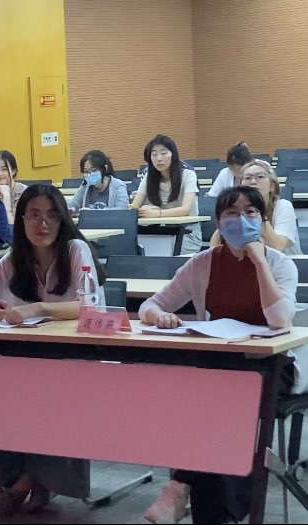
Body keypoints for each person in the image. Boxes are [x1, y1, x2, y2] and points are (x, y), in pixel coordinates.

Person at [140, 186, 308, 524]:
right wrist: (159, 316)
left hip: (273, 367)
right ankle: (212, 511)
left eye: (250, 213)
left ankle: (180, 485)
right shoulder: (202, 263)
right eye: (231, 213)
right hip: (221, 368)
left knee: (218, 401)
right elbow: (150, 305)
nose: (241, 220)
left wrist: (258, 261)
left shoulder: (280, 265)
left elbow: (279, 319)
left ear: (262, 220)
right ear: (218, 222)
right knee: (206, 401)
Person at [0, 183, 105, 515]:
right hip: (28, 362)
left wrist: (38, 308)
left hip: (75, 361)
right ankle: (23, 479)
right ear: (22, 220)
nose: (43, 224)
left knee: (50, 401)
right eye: (34, 215)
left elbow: (89, 307)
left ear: (63, 219)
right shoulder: (15, 258)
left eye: (52, 215)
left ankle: (24, 484)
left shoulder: (75, 249)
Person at [210, 160, 301, 255]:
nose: (253, 182)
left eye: (260, 177)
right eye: (248, 178)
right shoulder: (238, 211)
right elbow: (214, 248)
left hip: (287, 261)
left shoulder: (283, 206)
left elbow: (277, 247)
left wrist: (258, 212)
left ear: (272, 186)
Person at [131, 134, 202, 254]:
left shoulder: (188, 175)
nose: (159, 158)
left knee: (156, 254)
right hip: (159, 233)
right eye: (154, 154)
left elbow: (185, 210)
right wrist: (143, 210)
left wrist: (158, 213)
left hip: (187, 233)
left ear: (173, 155)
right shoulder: (149, 177)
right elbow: (134, 207)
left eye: (164, 153)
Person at [67, 150, 130, 214]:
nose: (89, 174)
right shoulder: (85, 185)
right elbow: (72, 205)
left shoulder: (118, 185)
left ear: (105, 168)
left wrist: (92, 213)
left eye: (93, 170)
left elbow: (123, 209)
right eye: (86, 171)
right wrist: (72, 210)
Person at [0, 150, 28, 224]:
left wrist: (6, 198)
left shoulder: (25, 194)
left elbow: (13, 228)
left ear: (13, 171)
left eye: (4, 169)